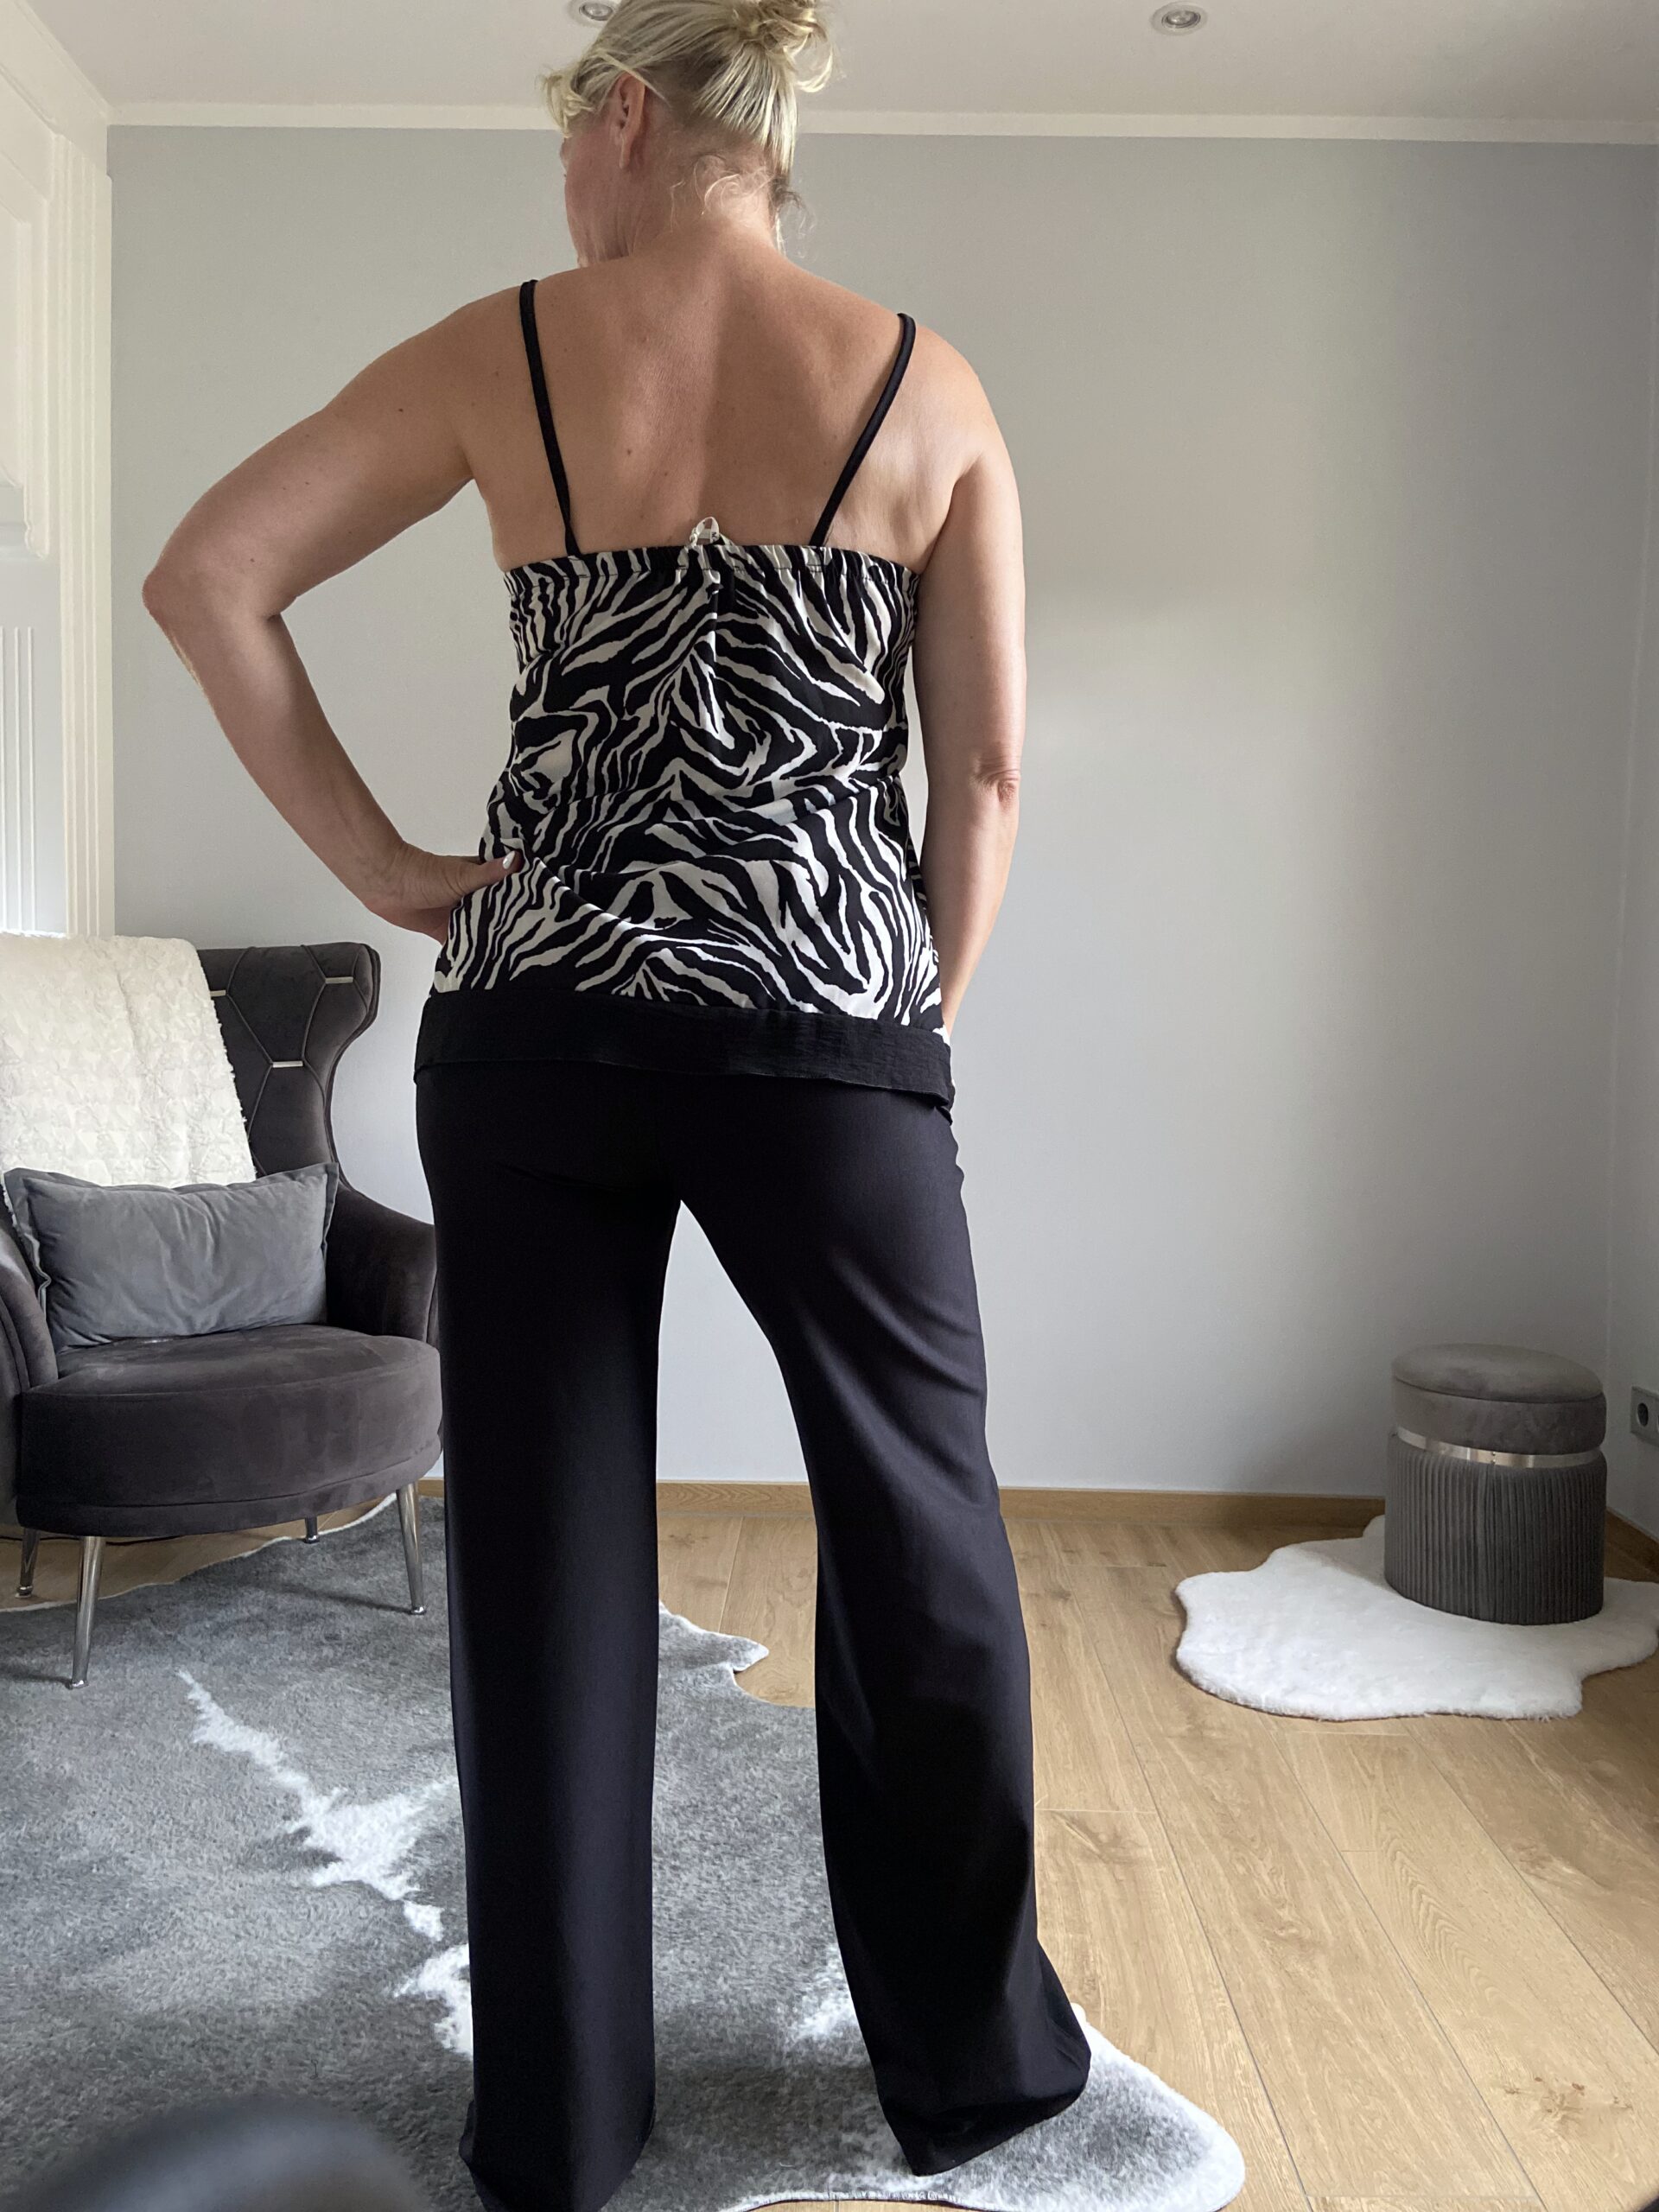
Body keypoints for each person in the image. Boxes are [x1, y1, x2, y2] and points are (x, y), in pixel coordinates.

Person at [142, 2, 1092, 2207]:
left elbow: (209, 574)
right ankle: (968, 2064)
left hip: (537, 1021)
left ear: (629, 119)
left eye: (565, 144)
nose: (561, 189)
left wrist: (387, 867)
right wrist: (906, 1016)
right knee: (924, 1527)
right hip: (824, 1026)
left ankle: (560, 2124)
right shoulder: (928, 385)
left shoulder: (508, 349)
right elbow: (986, 770)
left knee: (546, 1563)